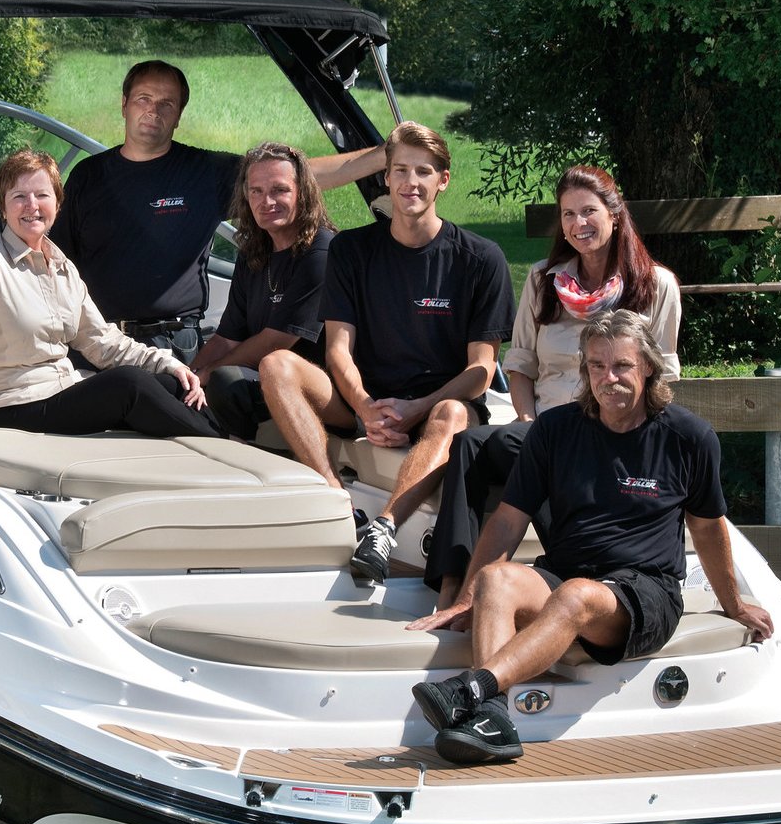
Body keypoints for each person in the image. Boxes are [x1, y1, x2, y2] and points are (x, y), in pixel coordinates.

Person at [407, 307, 773, 765]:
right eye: (597, 366)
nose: (608, 378)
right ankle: (492, 718)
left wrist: (734, 604)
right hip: (566, 576)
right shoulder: (554, 429)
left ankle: (470, 689)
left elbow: (707, 527)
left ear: (648, 367)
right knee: (497, 579)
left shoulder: (688, 437)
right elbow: (507, 520)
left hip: (645, 592)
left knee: (577, 595)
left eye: (622, 366)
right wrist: (468, 598)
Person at [255, 120, 512, 583]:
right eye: (401, 171)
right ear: (387, 177)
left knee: (454, 413)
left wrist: (417, 408)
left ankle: (383, 530)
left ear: (443, 180)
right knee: (276, 364)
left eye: (423, 172)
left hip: (437, 404)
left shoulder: (481, 259)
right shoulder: (351, 249)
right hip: (363, 400)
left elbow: (481, 369)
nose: (411, 182)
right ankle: (338, 504)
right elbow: (338, 349)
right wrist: (365, 406)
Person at [421, 164, 681, 603]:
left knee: (546, 463)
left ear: (615, 213)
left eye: (589, 211)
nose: (579, 224)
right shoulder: (544, 280)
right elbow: (521, 365)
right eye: (568, 214)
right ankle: (452, 586)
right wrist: (528, 420)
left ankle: (571, 574)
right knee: (471, 446)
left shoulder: (655, 285)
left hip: (614, 432)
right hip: (545, 427)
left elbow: (663, 378)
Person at [52, 59, 387, 361]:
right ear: (124, 104)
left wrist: (386, 155)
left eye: (167, 103)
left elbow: (295, 176)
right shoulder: (88, 175)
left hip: (172, 344)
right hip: (97, 341)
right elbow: (55, 260)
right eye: (144, 99)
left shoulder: (205, 172)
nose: (154, 111)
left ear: (179, 115)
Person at [0, 148, 221, 442]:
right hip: (9, 405)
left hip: (63, 389)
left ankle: (223, 442)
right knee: (129, 385)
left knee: (173, 384)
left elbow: (103, 342)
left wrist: (168, 363)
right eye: (19, 196)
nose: (32, 206)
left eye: (42, 195)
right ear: (3, 207)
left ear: (58, 204)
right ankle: (223, 444)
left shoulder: (63, 268)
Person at [195, 142, 334, 441]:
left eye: (279, 190)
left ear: (302, 193)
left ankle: (238, 457)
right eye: (256, 191)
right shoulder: (253, 253)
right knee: (169, 384)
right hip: (261, 377)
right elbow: (226, 338)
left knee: (224, 380)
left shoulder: (322, 251)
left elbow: (276, 341)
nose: (266, 201)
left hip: (316, 388)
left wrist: (209, 372)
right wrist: (190, 375)